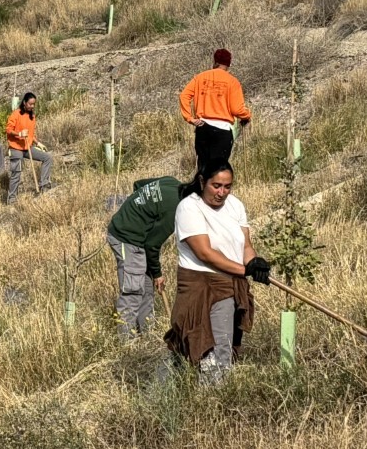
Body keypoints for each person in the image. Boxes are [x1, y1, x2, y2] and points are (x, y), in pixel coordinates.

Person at [165, 163, 270, 384]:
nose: (221, 192)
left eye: (227, 187)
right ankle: (192, 395)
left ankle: (209, 394)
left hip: (230, 284)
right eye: (216, 186)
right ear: (202, 182)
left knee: (222, 345)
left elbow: (245, 246)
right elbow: (205, 253)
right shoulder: (189, 207)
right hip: (201, 283)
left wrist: (255, 263)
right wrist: (244, 270)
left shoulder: (235, 206)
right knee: (198, 344)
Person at [105, 173, 183, 335]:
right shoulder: (175, 210)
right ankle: (126, 343)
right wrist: (158, 274)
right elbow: (152, 245)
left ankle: (147, 334)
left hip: (138, 238)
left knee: (147, 287)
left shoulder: (171, 182)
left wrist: (139, 212)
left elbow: (138, 184)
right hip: (126, 237)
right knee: (133, 291)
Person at [179, 50, 252, 177]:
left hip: (202, 127)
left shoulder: (200, 77)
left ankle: (201, 195)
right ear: (229, 64)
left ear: (215, 61)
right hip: (222, 130)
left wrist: (189, 118)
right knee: (218, 171)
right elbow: (236, 109)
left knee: (203, 170)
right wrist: (247, 115)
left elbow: (184, 96)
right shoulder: (232, 81)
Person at [4, 92, 53, 204]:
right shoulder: (16, 114)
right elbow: (8, 130)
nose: (32, 106)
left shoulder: (32, 116)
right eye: (30, 104)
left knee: (47, 158)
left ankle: (44, 185)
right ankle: (11, 199)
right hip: (15, 147)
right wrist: (19, 134)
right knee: (16, 172)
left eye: (34, 104)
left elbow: (30, 134)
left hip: (27, 147)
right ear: (24, 103)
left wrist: (37, 143)